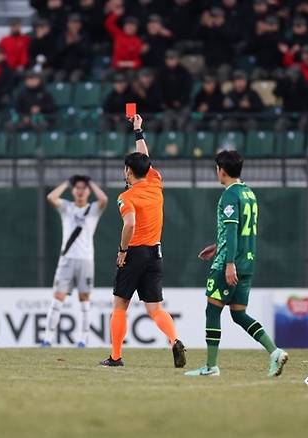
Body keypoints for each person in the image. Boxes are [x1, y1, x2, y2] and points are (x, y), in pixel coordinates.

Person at [186, 150, 288, 377]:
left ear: (221, 170)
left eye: (216, 169)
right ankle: (275, 352)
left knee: (212, 311)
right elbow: (241, 230)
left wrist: (228, 262)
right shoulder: (248, 193)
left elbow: (233, 230)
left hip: (229, 264)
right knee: (239, 314)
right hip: (248, 262)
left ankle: (211, 367)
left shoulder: (230, 196)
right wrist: (217, 245)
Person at [100, 114, 186, 368]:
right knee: (156, 309)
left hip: (134, 253)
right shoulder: (155, 182)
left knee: (120, 305)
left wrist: (122, 250)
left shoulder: (127, 197)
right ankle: (174, 340)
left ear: (128, 171)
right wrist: (138, 131)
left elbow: (130, 224)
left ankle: (115, 356)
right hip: (155, 253)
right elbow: (145, 160)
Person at [42, 175, 108, 348]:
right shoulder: (67, 207)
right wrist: (66, 182)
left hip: (86, 259)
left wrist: (91, 182)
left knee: (84, 298)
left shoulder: (93, 209)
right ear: (73, 190)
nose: (80, 191)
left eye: (83, 188)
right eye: (77, 188)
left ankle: (83, 339)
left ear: (88, 191)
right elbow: (51, 197)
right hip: (67, 259)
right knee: (58, 297)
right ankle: (47, 338)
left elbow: (104, 199)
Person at [159, 50, 192, 131]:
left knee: (181, 122)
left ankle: (180, 142)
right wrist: (166, 102)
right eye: (169, 59)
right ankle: (167, 143)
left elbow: (187, 89)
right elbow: (159, 90)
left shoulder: (184, 72)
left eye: (173, 58)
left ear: (177, 59)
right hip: (168, 106)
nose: (171, 61)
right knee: (166, 122)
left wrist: (180, 101)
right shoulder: (162, 73)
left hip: (183, 105)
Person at [104, 4, 144, 71]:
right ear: (124, 26)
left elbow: (137, 61)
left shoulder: (137, 41)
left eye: (132, 26)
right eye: (128, 25)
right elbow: (108, 24)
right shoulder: (118, 34)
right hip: (116, 67)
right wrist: (116, 15)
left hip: (130, 69)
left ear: (136, 29)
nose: (130, 28)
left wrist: (124, 64)